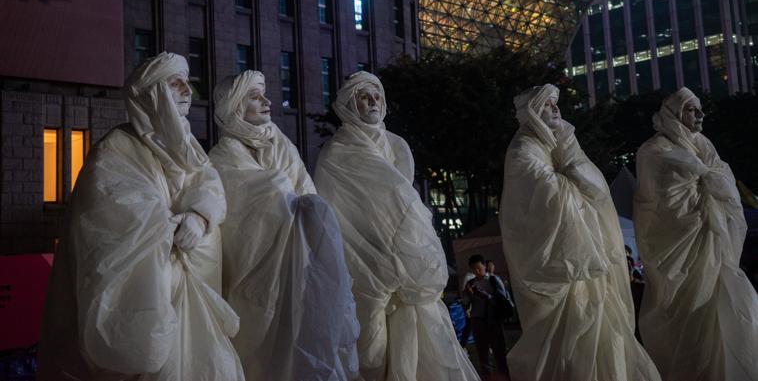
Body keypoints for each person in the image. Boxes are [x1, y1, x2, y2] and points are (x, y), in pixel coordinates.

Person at [37, 53, 244, 381]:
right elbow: (109, 220)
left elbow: (207, 183)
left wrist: (199, 216)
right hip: (156, 297)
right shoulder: (115, 148)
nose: (188, 91)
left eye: (187, 82)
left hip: (196, 290)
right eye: (176, 84)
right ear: (151, 93)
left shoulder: (188, 147)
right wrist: (170, 226)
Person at [314, 72, 479, 381]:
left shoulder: (397, 145)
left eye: (376, 96)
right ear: (350, 104)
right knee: (372, 350)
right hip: (364, 261)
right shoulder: (336, 153)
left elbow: (404, 200)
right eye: (364, 96)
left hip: (408, 256)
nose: (373, 102)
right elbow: (336, 212)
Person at [498, 84, 660, 381]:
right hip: (561, 266)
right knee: (570, 340)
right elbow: (547, 198)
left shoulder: (560, 144)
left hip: (589, 268)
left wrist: (571, 163)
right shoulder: (523, 150)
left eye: (555, 103)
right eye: (547, 104)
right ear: (532, 111)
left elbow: (596, 185)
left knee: (603, 333)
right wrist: (574, 175)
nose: (555, 108)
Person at [208, 71, 359, 381]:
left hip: (301, 268)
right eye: (255, 96)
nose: (267, 100)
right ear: (235, 106)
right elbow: (238, 217)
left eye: (264, 93)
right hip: (254, 273)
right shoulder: (221, 158)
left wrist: (301, 214)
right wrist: (280, 198)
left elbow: (307, 194)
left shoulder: (282, 144)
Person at [634, 87, 758, 381]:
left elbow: (720, 176)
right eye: (692, 109)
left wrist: (703, 176)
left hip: (711, 243)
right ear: (675, 113)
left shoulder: (703, 144)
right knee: (685, 310)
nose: (700, 115)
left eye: (700, 109)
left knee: (715, 309)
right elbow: (656, 201)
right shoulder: (653, 150)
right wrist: (700, 177)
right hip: (680, 245)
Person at [461, 254, 510, 380]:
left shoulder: (493, 280)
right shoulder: (470, 283)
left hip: (494, 321)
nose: (476, 271)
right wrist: (467, 295)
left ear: (484, 266)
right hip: (478, 321)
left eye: (478, 268)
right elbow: (466, 304)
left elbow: (502, 301)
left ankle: (504, 377)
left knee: (499, 354)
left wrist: (484, 295)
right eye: (473, 269)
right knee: (483, 356)